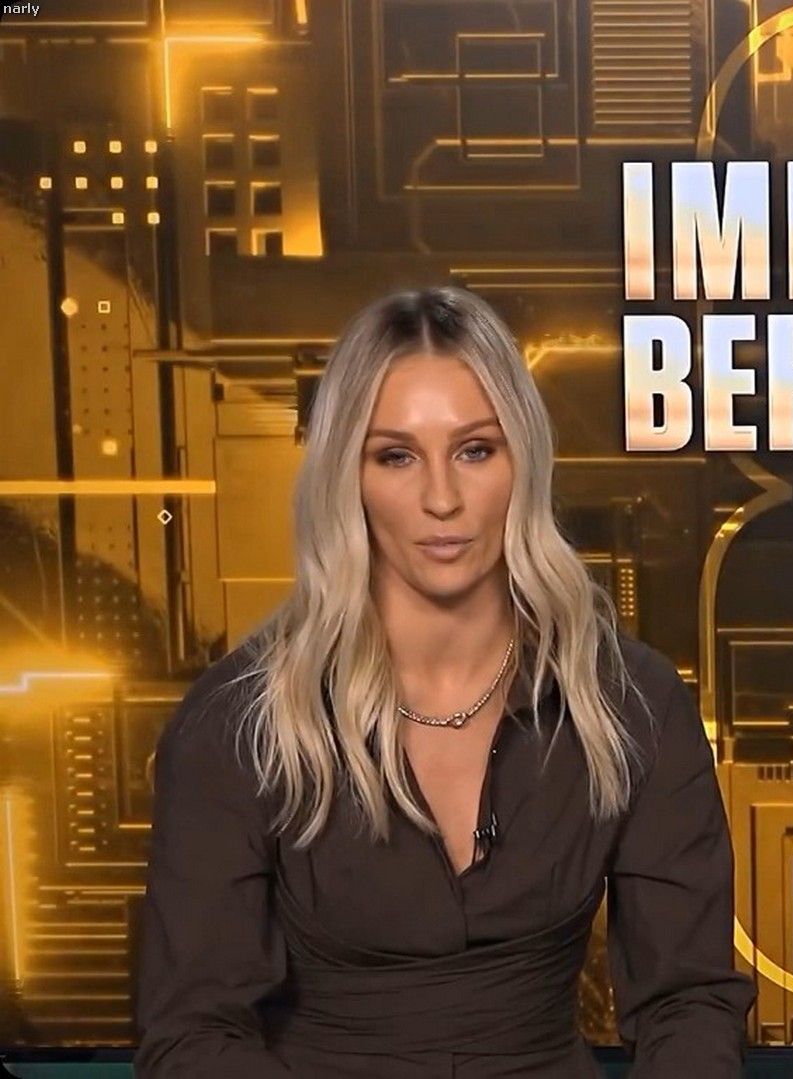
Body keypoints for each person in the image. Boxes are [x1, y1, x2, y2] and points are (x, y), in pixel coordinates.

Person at [133, 287, 756, 1076]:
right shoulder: (238, 723)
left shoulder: (633, 703)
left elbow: (687, 1002)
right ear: (347, 477)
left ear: (522, 462)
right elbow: (191, 1034)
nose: (441, 498)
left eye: (475, 450)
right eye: (396, 456)